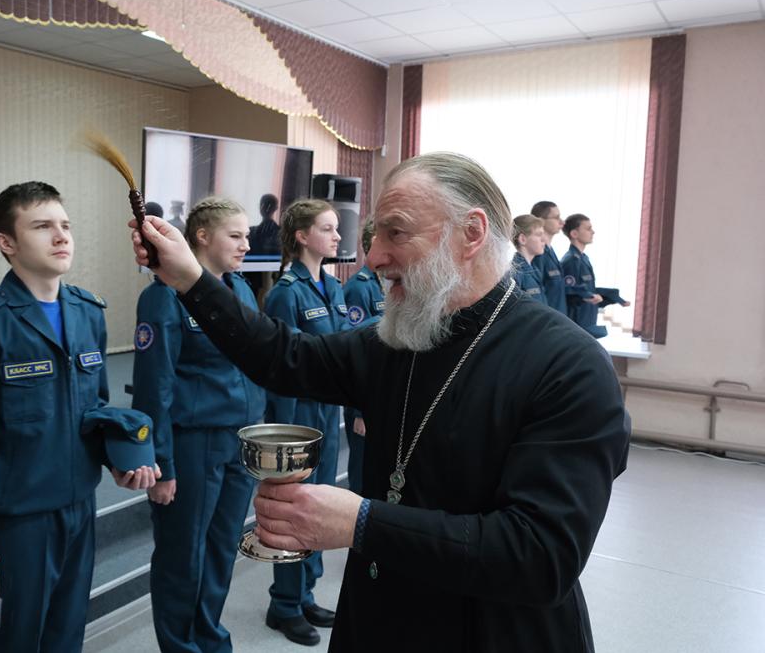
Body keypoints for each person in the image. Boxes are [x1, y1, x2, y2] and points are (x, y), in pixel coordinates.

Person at [129, 152, 631, 652]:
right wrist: (189, 277)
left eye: (397, 232)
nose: (373, 257)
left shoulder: (569, 365)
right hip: (378, 621)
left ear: (471, 233)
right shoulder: (401, 340)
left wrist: (361, 522)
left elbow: (541, 556)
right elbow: (283, 356)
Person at [0, 181, 159, 653]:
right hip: (19, 523)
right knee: (16, 641)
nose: (61, 237)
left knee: (66, 636)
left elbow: (93, 411)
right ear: (7, 242)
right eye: (42, 226)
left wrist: (119, 459)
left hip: (80, 508)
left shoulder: (87, 313)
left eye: (65, 225)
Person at [132, 196, 266, 653]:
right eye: (236, 235)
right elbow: (154, 386)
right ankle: (180, 645)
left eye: (247, 235)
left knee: (222, 546)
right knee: (182, 554)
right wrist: (161, 463)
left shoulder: (240, 289)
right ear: (203, 237)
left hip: (239, 437)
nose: (246, 245)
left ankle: (209, 636)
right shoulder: (164, 296)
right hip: (193, 442)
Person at [259, 198, 347, 646]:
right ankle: (285, 605)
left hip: (327, 410)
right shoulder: (286, 292)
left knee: (319, 503)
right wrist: (286, 435)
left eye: (336, 228)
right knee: (293, 508)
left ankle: (305, 593)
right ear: (301, 236)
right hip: (298, 415)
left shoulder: (331, 287)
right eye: (327, 228)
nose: (337, 236)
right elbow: (280, 370)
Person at [341, 218, 384, 495]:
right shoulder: (359, 287)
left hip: (384, 394)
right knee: (361, 477)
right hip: (364, 400)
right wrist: (360, 411)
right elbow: (357, 354)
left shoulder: (386, 283)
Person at [560, 214, 630, 339]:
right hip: (577, 325)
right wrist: (588, 296)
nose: (593, 232)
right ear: (574, 234)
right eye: (588, 228)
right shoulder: (571, 261)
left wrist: (612, 297)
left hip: (588, 320)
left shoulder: (583, 258)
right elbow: (570, 293)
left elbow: (588, 290)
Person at [529, 200, 567, 314]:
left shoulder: (550, 250)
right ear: (541, 221)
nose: (562, 222)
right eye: (556, 217)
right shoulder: (538, 254)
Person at [511, 214, 546, 303]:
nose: (544, 240)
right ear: (522, 239)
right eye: (539, 235)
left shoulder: (534, 270)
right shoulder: (516, 271)